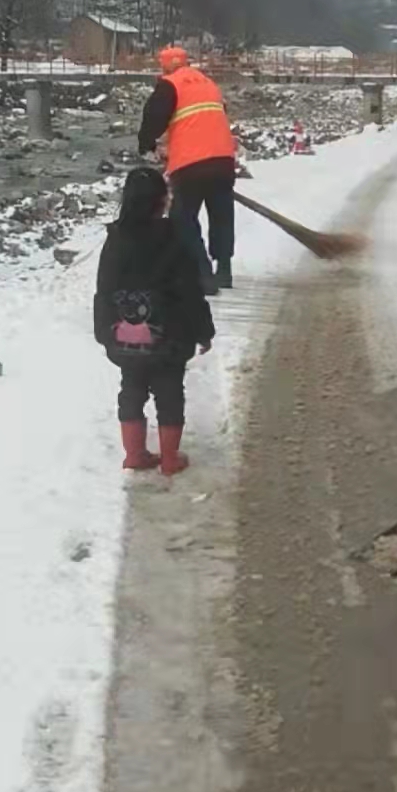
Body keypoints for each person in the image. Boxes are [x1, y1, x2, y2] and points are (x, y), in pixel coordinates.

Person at [94, 166, 215, 477]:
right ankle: (170, 460)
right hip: (170, 339)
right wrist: (203, 331)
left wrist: (103, 331)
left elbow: (104, 290)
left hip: (124, 339)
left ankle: (134, 455)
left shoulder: (115, 239)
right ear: (163, 201)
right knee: (170, 393)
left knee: (131, 390)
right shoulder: (174, 237)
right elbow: (191, 291)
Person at [137, 46, 237, 295]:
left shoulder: (169, 85)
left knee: (182, 218)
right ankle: (224, 269)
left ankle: (202, 273)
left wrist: (146, 144)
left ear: (165, 65)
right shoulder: (208, 83)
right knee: (221, 213)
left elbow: (153, 117)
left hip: (191, 163)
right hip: (224, 159)